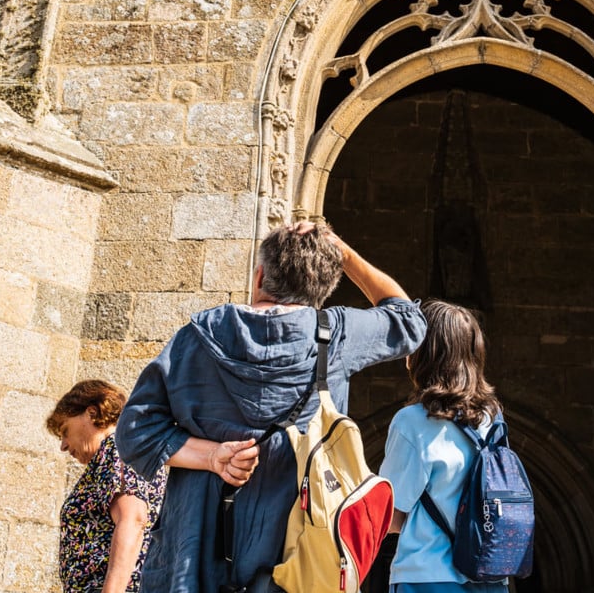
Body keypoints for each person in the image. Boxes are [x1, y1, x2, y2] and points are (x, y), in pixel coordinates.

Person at [115, 219, 427, 593]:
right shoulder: (336, 335)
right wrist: (340, 250)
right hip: (297, 564)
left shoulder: (198, 336)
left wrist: (213, 457)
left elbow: (134, 431)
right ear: (324, 288)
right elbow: (409, 319)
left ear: (260, 275)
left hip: (192, 555)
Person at [378, 299, 508, 593]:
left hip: (427, 577)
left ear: (426, 353)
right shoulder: (493, 418)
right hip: (490, 576)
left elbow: (390, 515)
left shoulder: (411, 422)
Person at [48, 378, 169, 593]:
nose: (63, 446)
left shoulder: (118, 448)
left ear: (91, 413)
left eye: (65, 431)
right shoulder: (115, 453)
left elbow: (132, 519)